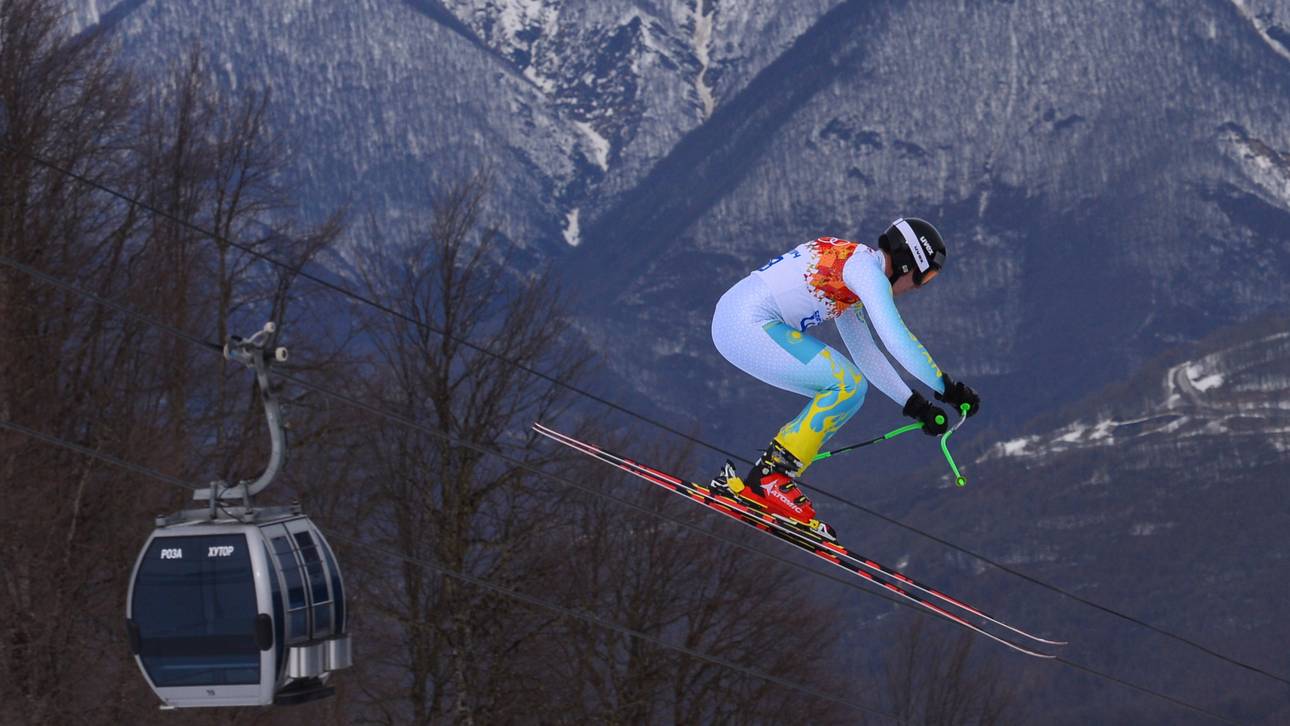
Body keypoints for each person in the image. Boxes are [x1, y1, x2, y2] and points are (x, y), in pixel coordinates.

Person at [708, 218, 980, 539]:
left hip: (736, 321)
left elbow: (865, 352)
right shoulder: (865, 272)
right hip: (746, 325)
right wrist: (947, 388)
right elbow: (895, 338)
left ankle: (766, 480)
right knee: (846, 385)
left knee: (848, 385)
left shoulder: (854, 268)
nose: (918, 288)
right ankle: (769, 480)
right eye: (925, 278)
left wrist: (914, 405)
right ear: (908, 265)